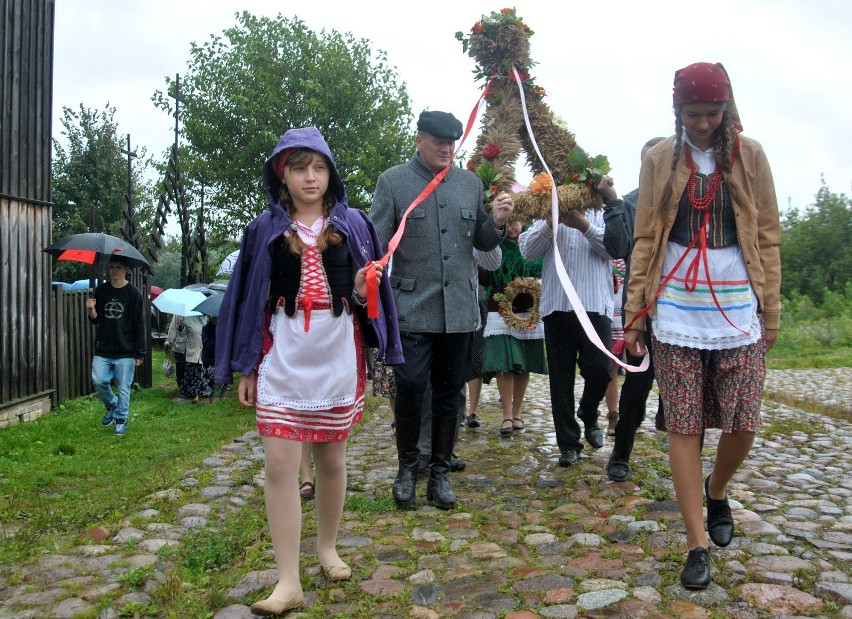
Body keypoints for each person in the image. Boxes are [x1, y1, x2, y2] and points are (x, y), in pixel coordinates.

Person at [215, 127, 402, 616]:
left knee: (331, 461)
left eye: (319, 167)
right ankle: (288, 580)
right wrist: (248, 366)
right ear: (283, 174)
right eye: (300, 168)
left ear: (330, 173)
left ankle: (327, 549)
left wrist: (364, 287)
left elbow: (370, 304)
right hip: (282, 353)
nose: (311, 177)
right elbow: (249, 301)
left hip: (336, 352)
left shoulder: (356, 224)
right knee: (279, 463)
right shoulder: (263, 230)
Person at [623, 63, 781, 590]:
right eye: (694, 114)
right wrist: (635, 316)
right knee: (685, 424)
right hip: (675, 309)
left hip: (739, 306)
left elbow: (768, 235)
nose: (704, 123)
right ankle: (695, 543)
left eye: (713, 113)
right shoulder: (659, 159)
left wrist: (772, 309)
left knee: (743, 421)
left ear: (727, 108)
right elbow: (645, 237)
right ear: (678, 111)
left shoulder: (751, 155)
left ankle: (718, 488)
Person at [370, 110, 514, 510]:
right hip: (411, 307)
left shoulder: (469, 184)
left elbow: (484, 241)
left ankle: (439, 475)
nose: (446, 148)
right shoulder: (393, 181)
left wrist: (498, 222)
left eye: (452, 142)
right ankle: (406, 469)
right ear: (419, 139)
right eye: (438, 141)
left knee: (450, 393)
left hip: (460, 311)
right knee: (412, 387)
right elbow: (376, 241)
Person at [519, 176, 620, 467]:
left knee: (601, 369)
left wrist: (583, 226)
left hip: (594, 305)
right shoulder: (547, 210)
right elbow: (528, 250)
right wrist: (552, 222)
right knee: (561, 379)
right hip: (558, 306)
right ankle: (569, 443)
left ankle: (589, 412)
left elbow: (615, 248)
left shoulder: (600, 209)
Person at [603, 136, 667, 483]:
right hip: (643, 311)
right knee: (636, 387)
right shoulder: (628, 204)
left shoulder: (685, 199)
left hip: (683, 309)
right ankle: (621, 453)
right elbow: (620, 249)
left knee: (689, 392)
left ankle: (687, 460)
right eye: (648, 162)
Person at [481, 220, 547, 437]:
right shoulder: (495, 245)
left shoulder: (531, 245)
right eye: (508, 223)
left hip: (527, 310)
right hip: (499, 310)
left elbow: (543, 271)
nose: (512, 228)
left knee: (523, 362)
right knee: (503, 364)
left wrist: (534, 281)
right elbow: (485, 274)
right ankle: (506, 415)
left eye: (516, 222)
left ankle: (517, 412)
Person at [85, 255, 146, 436]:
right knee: (99, 380)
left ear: (126, 269)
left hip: (126, 350)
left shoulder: (134, 294)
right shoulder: (101, 291)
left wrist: (140, 353)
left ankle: (120, 419)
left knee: (124, 387)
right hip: (103, 348)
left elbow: (139, 325)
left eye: (118, 267)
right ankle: (112, 404)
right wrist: (91, 310)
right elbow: (96, 321)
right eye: (111, 267)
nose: (114, 270)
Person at [604, 258, 626, 436]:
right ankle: (613, 415)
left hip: (630, 317)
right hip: (607, 317)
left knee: (636, 371)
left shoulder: (631, 255)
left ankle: (631, 414)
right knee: (610, 369)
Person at [176, 314, 204, 402]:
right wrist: (181, 325)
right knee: (193, 371)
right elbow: (181, 334)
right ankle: (194, 394)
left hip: (204, 349)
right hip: (193, 348)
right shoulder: (187, 317)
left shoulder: (205, 318)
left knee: (200, 372)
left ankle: (198, 393)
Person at [164, 314, 188, 390]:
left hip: (191, 344)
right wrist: (170, 341)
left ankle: (187, 384)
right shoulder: (177, 314)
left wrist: (186, 323)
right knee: (180, 364)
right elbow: (173, 328)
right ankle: (180, 382)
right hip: (179, 344)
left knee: (188, 365)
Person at [199, 315, 217, 400]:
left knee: (217, 383)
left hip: (219, 359)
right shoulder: (206, 328)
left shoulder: (223, 328)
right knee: (207, 382)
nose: (216, 319)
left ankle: (214, 399)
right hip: (208, 359)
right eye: (214, 317)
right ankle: (204, 398)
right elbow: (206, 344)